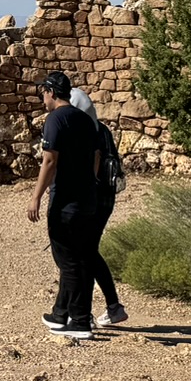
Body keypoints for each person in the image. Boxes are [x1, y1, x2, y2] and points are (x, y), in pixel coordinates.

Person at [27, 70, 101, 339]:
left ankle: (79, 321)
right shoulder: (85, 119)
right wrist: (89, 182)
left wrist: (36, 197)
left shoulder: (55, 119)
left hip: (66, 202)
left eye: (43, 92)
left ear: (51, 92)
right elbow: (96, 156)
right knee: (82, 257)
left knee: (68, 260)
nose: (42, 98)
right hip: (88, 200)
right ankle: (61, 315)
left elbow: (49, 160)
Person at [69, 87, 128, 329]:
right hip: (106, 198)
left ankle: (83, 314)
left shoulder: (84, 131)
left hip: (89, 199)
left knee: (81, 254)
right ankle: (113, 307)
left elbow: (89, 166)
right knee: (89, 251)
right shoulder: (102, 129)